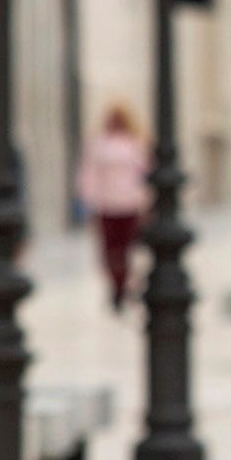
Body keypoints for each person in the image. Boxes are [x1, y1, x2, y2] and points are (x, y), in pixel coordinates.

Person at [78, 103, 150, 309]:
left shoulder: (135, 144)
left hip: (130, 204)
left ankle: (124, 285)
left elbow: (143, 174)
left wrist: (145, 201)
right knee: (110, 250)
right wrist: (88, 199)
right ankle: (116, 285)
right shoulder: (99, 144)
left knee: (126, 250)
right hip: (107, 205)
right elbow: (89, 173)